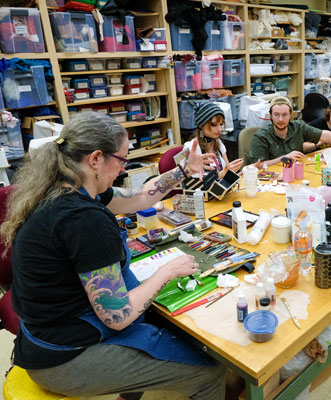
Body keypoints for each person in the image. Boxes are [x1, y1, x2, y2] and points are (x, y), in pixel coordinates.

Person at [0, 112, 225, 400]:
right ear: (96, 159)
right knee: (210, 371)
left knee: (156, 320)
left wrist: (183, 170)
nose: (123, 169)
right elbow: (117, 315)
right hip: (64, 360)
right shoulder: (84, 219)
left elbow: (140, 197)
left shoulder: (65, 187)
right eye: (122, 160)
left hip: (48, 335)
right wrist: (166, 272)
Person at [248, 96, 331, 166]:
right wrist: (284, 158)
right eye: (276, 115)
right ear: (271, 116)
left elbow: (325, 135)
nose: (281, 119)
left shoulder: (299, 127)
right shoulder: (261, 136)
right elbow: (257, 166)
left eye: (285, 115)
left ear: (291, 115)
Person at [183, 100, 243, 179]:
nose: (219, 129)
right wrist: (220, 175)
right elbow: (193, 186)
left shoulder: (218, 142)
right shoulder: (191, 148)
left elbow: (227, 172)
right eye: (214, 125)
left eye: (221, 124)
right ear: (201, 125)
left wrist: (241, 172)